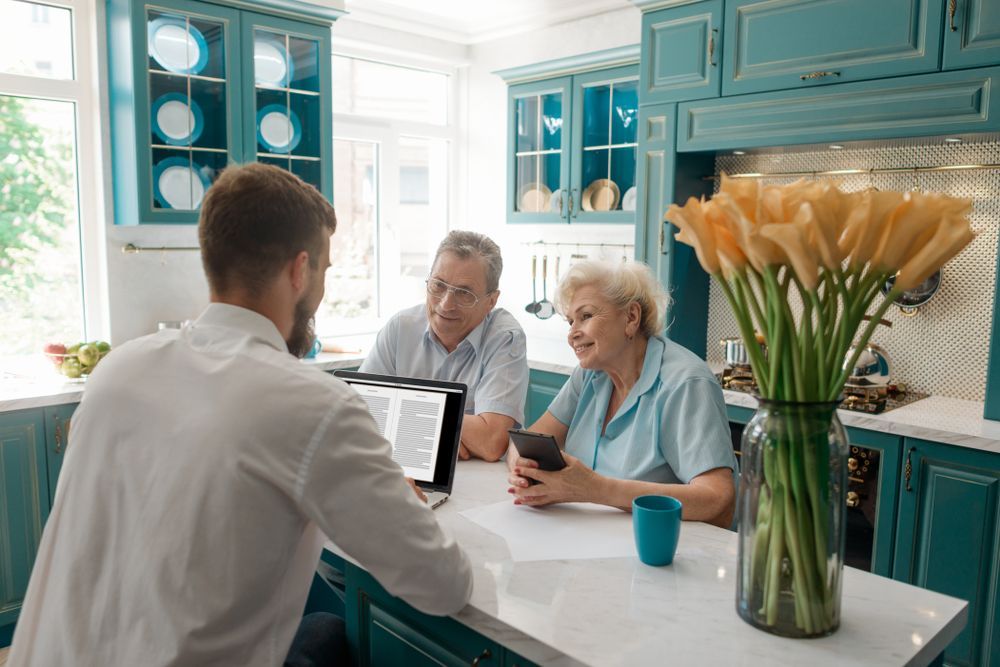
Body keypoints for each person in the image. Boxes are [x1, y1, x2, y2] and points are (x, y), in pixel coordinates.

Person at [8, 164, 472, 667]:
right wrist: (390, 500)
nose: (321, 290)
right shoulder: (315, 406)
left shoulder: (117, 370)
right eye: (325, 271)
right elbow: (444, 585)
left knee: (323, 632)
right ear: (300, 271)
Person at [507, 260, 737, 528]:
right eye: (570, 321)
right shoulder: (591, 372)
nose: (572, 334)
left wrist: (595, 489)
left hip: (662, 550)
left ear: (631, 317)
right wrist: (521, 469)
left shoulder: (686, 383)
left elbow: (718, 499)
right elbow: (528, 440)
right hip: (590, 539)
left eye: (586, 316)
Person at [360, 230, 528, 462]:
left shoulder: (505, 338)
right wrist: (440, 436)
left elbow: (491, 442)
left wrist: (401, 416)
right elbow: (360, 415)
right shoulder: (401, 328)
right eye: (438, 285)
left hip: (480, 484)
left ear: (491, 301)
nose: (446, 304)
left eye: (464, 293)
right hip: (404, 465)